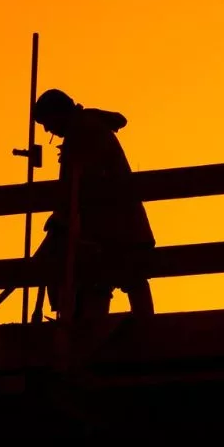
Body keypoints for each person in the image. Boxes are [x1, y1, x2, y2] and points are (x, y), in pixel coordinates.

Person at [33, 89, 155, 321]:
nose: (48, 130)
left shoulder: (84, 132)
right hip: (111, 227)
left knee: (113, 277)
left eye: (47, 123)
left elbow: (84, 183)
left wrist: (63, 218)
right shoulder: (85, 129)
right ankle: (130, 329)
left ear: (58, 113)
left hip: (115, 228)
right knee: (109, 278)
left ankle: (137, 332)